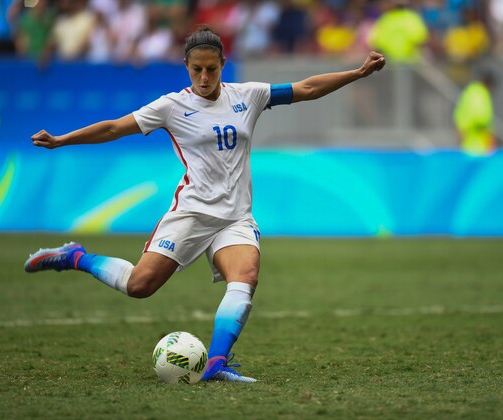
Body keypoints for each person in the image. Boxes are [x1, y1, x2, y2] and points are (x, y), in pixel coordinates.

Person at [24, 25, 386, 382]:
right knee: (139, 286)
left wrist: (357, 72)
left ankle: (216, 363)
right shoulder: (171, 106)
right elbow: (115, 128)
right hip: (192, 214)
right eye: (196, 68)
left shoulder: (249, 95)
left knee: (245, 276)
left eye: (211, 68)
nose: (204, 76)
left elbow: (305, 89)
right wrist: (62, 140)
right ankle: (76, 256)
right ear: (186, 65)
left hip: (235, 218)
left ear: (222, 64)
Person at [453, 70, 497, 156]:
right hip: (481, 147)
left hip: (466, 146)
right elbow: (482, 118)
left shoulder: (468, 91)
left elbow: (458, 115)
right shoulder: (482, 93)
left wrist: (461, 131)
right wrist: (491, 141)